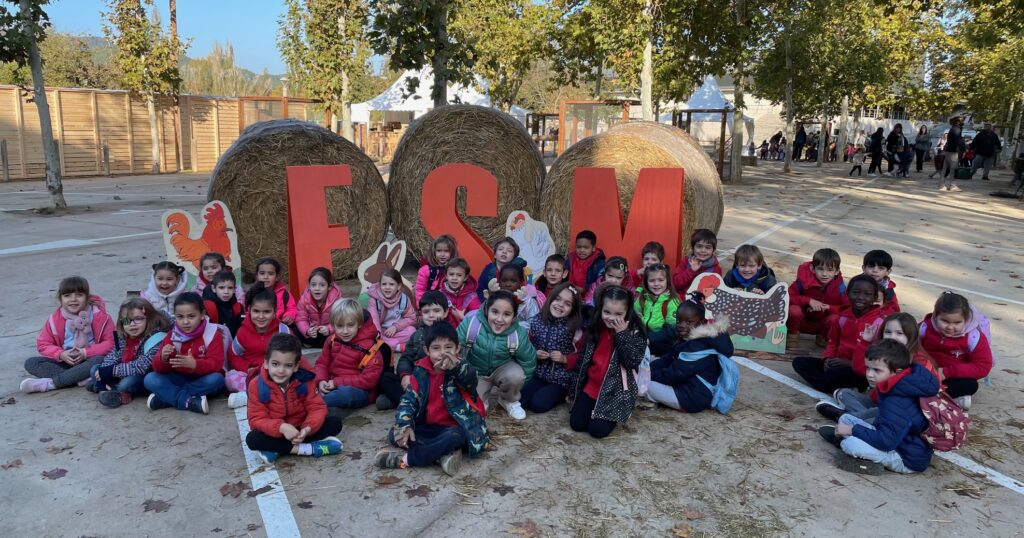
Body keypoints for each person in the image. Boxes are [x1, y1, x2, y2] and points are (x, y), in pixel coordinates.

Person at [376, 324, 489, 476]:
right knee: (395, 434)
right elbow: (408, 400)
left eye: (448, 347)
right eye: (436, 348)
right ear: (426, 350)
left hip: (458, 427)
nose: (442, 353)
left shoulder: (462, 369)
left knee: (453, 437)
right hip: (429, 426)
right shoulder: (420, 371)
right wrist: (405, 425)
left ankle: (407, 459)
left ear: (457, 349)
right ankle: (440, 456)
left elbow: (471, 380)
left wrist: (456, 367)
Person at [818, 339, 939, 474]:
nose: (869, 374)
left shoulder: (896, 400)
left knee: (850, 444)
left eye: (877, 370)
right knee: (845, 419)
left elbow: (886, 441)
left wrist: (853, 430)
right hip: (899, 442)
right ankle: (845, 437)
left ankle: (844, 443)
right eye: (868, 368)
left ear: (897, 371)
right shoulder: (902, 384)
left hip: (905, 457)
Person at [817, 312, 941, 421]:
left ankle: (852, 418)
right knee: (843, 393)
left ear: (911, 337)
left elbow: (913, 399)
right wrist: (865, 342)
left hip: (901, 410)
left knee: (881, 414)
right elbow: (859, 369)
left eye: (899, 333)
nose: (892, 337)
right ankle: (858, 418)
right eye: (888, 332)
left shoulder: (920, 362)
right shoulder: (885, 352)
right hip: (878, 402)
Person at [245, 333, 343, 464]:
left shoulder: (305, 380)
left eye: (288, 365)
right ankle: (309, 449)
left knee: (335, 423)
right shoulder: (256, 385)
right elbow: (256, 419)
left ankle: (276, 449)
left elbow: (317, 407)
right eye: (275, 364)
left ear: (296, 366)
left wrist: (307, 429)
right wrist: (281, 427)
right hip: (276, 433)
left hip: (301, 430)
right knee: (253, 439)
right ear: (266, 363)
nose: (281, 370)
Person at [569, 285, 647, 439]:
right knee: (577, 425)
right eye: (607, 312)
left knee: (597, 431)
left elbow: (631, 361)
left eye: (618, 314)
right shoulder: (596, 327)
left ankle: (607, 416)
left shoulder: (635, 332)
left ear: (627, 312)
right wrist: (573, 391)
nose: (611, 318)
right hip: (591, 386)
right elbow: (583, 362)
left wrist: (622, 334)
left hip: (614, 392)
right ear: (600, 309)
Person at [22, 276, 116, 394]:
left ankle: (52, 384)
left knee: (100, 360)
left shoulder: (101, 317)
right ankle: (78, 379)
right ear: (60, 299)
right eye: (67, 295)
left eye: (79, 295)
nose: (73, 299)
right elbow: (43, 344)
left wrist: (85, 352)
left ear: (87, 297)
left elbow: (111, 343)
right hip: (67, 361)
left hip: (90, 360)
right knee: (31, 362)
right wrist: (60, 354)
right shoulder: (54, 319)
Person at [792, 275, 884, 394]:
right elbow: (833, 342)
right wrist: (827, 358)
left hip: (861, 369)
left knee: (835, 374)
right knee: (799, 363)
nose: (861, 297)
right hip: (838, 363)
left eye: (867, 294)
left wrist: (851, 364)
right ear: (848, 294)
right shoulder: (842, 318)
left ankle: (833, 385)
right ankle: (838, 387)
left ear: (874, 297)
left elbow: (879, 357)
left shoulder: (879, 323)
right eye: (856, 292)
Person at [646, 292, 734, 413]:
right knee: (651, 366)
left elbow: (674, 374)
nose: (681, 325)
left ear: (701, 322)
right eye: (679, 320)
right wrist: (647, 369)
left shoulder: (698, 346)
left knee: (642, 385)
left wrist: (645, 375)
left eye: (688, 322)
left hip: (692, 398)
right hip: (686, 386)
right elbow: (669, 358)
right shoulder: (690, 337)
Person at [458, 290, 537, 420]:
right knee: (475, 411)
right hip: (477, 373)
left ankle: (508, 399)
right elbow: (455, 349)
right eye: (495, 312)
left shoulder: (518, 334)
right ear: (486, 310)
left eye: (506, 314)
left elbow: (528, 361)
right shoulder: (471, 324)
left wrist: (517, 386)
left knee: (516, 375)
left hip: (503, 369)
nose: (499, 319)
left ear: (514, 316)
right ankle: (482, 397)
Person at [144, 293, 226, 414]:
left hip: (202, 378)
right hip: (179, 377)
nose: (185, 322)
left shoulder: (213, 333)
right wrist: (163, 358)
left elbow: (216, 364)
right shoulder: (172, 335)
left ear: (202, 315)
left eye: (191, 316)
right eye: (180, 317)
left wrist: (195, 364)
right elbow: (159, 369)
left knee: (217, 379)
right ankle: (188, 401)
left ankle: (166, 398)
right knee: (150, 378)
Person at [88, 298, 169, 408]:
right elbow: (114, 355)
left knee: (126, 383)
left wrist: (112, 371)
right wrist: (103, 370)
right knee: (95, 369)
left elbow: (141, 366)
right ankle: (107, 388)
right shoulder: (121, 335)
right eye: (126, 320)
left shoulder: (156, 338)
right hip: (123, 371)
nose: (132, 324)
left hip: (142, 375)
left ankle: (115, 392)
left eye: (138, 319)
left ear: (149, 318)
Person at [919, 292, 993, 410]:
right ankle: (943, 398)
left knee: (970, 385)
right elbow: (910, 347)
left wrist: (946, 372)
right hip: (925, 371)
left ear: (966, 319)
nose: (950, 327)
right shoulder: (924, 328)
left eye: (957, 322)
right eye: (945, 321)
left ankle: (929, 396)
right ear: (935, 316)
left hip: (951, 378)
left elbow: (983, 365)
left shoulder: (973, 337)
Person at [522, 283, 584, 413]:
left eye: (567, 304)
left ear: (573, 309)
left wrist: (565, 359)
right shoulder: (537, 320)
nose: (560, 305)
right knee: (522, 400)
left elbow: (582, 356)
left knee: (537, 405)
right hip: (539, 373)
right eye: (557, 299)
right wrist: (535, 353)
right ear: (551, 299)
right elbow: (527, 346)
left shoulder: (575, 329)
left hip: (561, 380)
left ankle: (562, 394)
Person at [315, 299, 385, 410]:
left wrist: (336, 383)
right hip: (331, 383)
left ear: (359, 323)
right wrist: (321, 380)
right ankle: (319, 402)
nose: (345, 331)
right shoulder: (331, 340)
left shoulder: (370, 348)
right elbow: (322, 363)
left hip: (360, 391)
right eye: (340, 326)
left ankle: (316, 404)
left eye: (350, 325)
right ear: (333, 325)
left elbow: (369, 380)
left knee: (345, 394)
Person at [226, 289, 291, 408]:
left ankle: (251, 397)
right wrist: (247, 368)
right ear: (249, 310)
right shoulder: (243, 332)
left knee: (295, 377)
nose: (261, 316)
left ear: (275, 312)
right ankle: (269, 395)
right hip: (252, 375)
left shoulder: (283, 331)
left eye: (266, 312)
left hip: (276, 374)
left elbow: (295, 355)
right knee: (230, 378)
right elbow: (233, 354)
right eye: (256, 311)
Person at [786, 248, 847, 348]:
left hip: (822, 325)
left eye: (830, 270)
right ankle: (792, 335)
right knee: (793, 310)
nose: (824, 274)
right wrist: (808, 300)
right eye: (820, 269)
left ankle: (823, 337)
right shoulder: (802, 282)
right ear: (812, 268)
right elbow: (787, 297)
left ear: (837, 271)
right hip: (802, 321)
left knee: (835, 318)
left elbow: (846, 309)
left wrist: (829, 307)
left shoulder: (840, 287)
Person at [396, 291, 452, 396]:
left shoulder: (451, 336)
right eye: (426, 312)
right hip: (416, 377)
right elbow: (406, 358)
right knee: (387, 379)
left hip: (440, 381)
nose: (431, 315)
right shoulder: (417, 335)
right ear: (421, 313)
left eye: (436, 311)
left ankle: (410, 399)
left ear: (445, 312)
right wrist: (405, 375)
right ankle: (410, 396)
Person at [635, 263, 681, 356]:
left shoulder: (671, 301)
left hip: (664, 344)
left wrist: (649, 338)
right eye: (652, 280)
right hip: (644, 339)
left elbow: (672, 330)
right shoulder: (643, 298)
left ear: (667, 281)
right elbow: (634, 314)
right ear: (646, 282)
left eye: (661, 280)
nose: (656, 284)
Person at [367, 268, 417, 352]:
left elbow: (411, 318)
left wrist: (396, 327)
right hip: (381, 331)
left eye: (391, 284)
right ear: (379, 285)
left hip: (396, 331)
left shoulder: (404, 300)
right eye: (384, 284)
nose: (387, 287)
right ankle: (398, 347)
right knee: (371, 337)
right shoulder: (374, 300)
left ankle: (386, 346)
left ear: (398, 286)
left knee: (412, 331)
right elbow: (373, 319)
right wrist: (378, 333)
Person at [294, 267, 343, 348]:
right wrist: (307, 331)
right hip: (313, 331)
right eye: (313, 285)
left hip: (330, 332)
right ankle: (318, 343)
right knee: (294, 329)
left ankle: (318, 343)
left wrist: (329, 329)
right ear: (309, 286)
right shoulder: (304, 300)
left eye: (322, 285)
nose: (317, 289)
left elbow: (341, 319)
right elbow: (301, 318)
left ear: (329, 287)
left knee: (341, 333)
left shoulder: (337, 300)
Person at [476, 237, 528, 302]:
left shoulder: (518, 269)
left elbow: (524, 287)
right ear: (495, 255)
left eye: (509, 251)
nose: (504, 252)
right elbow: (480, 290)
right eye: (500, 249)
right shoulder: (488, 270)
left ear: (514, 257)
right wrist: (485, 303)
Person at [672, 228, 722, 295]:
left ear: (713, 250)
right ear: (693, 248)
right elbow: (676, 283)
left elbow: (716, 292)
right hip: (682, 299)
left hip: (702, 300)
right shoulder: (685, 262)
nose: (703, 250)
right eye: (699, 246)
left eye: (708, 247)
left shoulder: (716, 269)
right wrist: (691, 271)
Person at [248, 257, 297, 325]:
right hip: (258, 325)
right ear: (257, 276)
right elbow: (247, 310)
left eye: (270, 274)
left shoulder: (284, 293)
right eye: (262, 273)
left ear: (277, 277)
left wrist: (288, 316)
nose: (266, 277)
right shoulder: (252, 293)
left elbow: (291, 308)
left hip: (279, 324)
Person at [415, 234, 458, 302]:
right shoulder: (426, 270)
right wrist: (421, 304)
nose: (442, 254)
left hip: (448, 303)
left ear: (452, 252)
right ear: (433, 251)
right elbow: (419, 290)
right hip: (428, 302)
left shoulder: (456, 270)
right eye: (439, 250)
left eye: (446, 251)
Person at [439, 258, 480, 326]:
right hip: (445, 329)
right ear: (446, 275)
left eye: (459, 275)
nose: (454, 278)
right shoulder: (440, 294)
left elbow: (476, 318)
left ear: (465, 277)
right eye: (451, 274)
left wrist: (463, 318)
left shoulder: (471, 297)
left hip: (464, 329)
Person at [202, 270, 243, 336]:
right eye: (221, 288)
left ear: (235, 289)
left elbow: (242, 328)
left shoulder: (238, 307)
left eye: (230, 288)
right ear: (214, 288)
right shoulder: (207, 307)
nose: (226, 292)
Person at [932, 117, 965, 191]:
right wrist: (962, 148)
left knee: (945, 168)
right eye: (962, 120)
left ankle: (941, 185)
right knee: (953, 169)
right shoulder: (956, 129)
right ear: (958, 122)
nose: (964, 121)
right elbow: (957, 141)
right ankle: (952, 185)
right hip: (953, 151)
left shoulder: (953, 128)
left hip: (949, 150)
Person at [862, 250, 899, 315]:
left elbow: (894, 310)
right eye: (871, 266)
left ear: (888, 272)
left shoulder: (888, 290)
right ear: (864, 268)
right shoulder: (856, 284)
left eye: (881, 268)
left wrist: (880, 315)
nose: (875, 270)